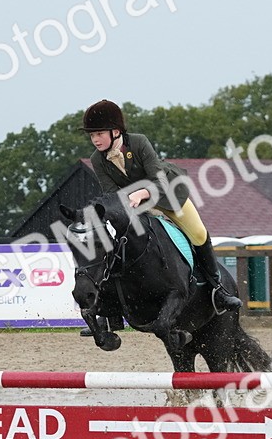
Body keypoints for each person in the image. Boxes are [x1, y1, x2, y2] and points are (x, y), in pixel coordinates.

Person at [81, 99, 242, 311]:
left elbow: (160, 181)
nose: (95, 140)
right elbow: (111, 194)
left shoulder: (139, 143)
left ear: (116, 131)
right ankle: (108, 308)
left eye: (99, 134)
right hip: (134, 205)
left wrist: (141, 193)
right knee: (114, 242)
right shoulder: (97, 159)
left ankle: (218, 290)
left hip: (168, 195)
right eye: (92, 135)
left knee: (199, 233)